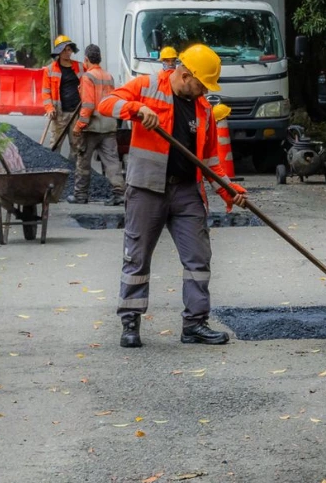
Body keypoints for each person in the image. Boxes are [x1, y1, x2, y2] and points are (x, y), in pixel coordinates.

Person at [97, 44, 248, 348]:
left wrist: (229, 191)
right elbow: (106, 104)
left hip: (186, 191)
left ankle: (195, 324)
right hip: (146, 188)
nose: (204, 90)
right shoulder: (147, 86)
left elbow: (208, 160)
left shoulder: (202, 108)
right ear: (184, 73)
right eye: (201, 83)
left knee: (198, 258)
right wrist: (137, 109)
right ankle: (130, 321)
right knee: (137, 257)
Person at [73, 44, 125, 206]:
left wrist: (79, 125)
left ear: (86, 60)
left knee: (83, 161)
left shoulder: (88, 77)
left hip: (92, 127)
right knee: (112, 161)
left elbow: (88, 104)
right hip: (109, 125)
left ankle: (80, 195)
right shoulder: (108, 76)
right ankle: (119, 193)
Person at [41, 34, 85, 200]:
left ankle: (71, 176)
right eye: (65, 50)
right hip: (59, 114)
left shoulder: (80, 67)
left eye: (69, 49)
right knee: (55, 146)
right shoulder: (50, 70)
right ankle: (53, 177)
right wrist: (49, 108)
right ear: (58, 52)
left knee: (77, 145)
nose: (68, 53)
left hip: (76, 113)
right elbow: (45, 92)